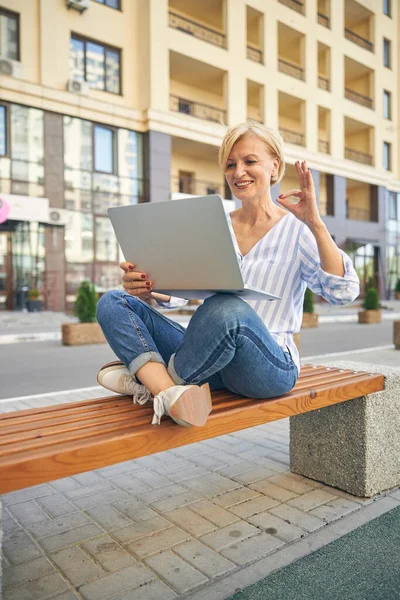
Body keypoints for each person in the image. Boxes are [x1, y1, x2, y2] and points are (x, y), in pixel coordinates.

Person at [96, 122, 360, 427]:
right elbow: (183, 291)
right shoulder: (213, 224)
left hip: (268, 366)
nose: (238, 172)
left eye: (250, 161)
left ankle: (146, 379)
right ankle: (167, 393)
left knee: (227, 307)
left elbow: (344, 293)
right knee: (115, 302)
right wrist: (148, 288)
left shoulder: (298, 231)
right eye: (230, 164)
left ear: (275, 167)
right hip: (209, 357)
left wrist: (315, 222)